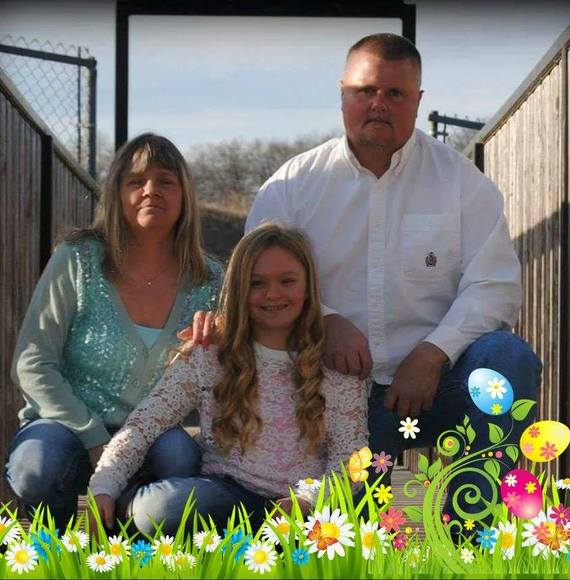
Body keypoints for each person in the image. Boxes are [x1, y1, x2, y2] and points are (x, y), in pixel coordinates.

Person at [193, 33, 541, 524]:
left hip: (437, 386)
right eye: (365, 91)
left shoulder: (463, 183)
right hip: (330, 399)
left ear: (417, 100)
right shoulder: (292, 187)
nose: (379, 104)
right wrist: (324, 318)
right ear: (343, 94)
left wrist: (433, 352)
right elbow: (255, 282)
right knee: (353, 531)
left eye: (395, 93)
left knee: (506, 358)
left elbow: (495, 286)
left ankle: (473, 527)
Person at [88, 223, 368, 535]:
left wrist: (307, 500)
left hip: (301, 507)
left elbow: (351, 459)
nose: (272, 294)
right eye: (256, 283)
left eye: (287, 281)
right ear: (238, 289)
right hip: (224, 494)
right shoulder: (209, 353)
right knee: (161, 506)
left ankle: (247, 543)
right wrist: (104, 485)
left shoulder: (335, 362)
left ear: (308, 287)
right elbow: (144, 424)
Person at [4, 133, 223, 532]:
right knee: (36, 466)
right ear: (116, 194)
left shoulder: (210, 279)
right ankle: (60, 548)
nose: (151, 190)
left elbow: (232, 369)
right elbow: (32, 363)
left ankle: (133, 547)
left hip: (153, 429)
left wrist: (221, 340)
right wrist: (93, 437)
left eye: (166, 180)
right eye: (136, 181)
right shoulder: (78, 259)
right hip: (67, 423)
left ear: (185, 196)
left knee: (182, 460)